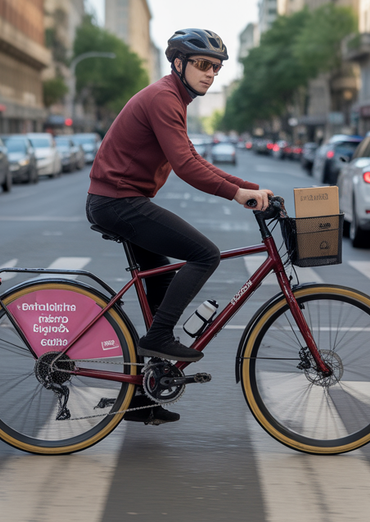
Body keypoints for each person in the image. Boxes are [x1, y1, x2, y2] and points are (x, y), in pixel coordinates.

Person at [86, 29, 273, 424]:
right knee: (204, 254)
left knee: (161, 288)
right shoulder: (163, 98)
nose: (210, 73)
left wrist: (252, 188)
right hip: (118, 202)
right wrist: (236, 195)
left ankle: (141, 397)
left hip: (122, 200)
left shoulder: (174, 99)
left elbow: (193, 158)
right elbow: (187, 168)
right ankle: (157, 340)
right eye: (203, 65)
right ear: (178, 63)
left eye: (216, 68)